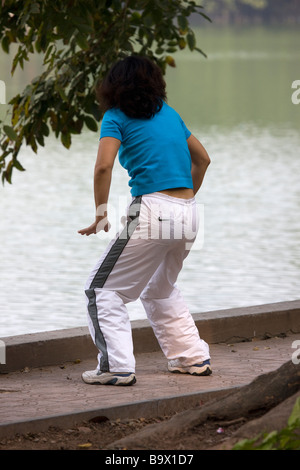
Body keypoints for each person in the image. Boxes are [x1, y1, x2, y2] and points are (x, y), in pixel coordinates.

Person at [78, 55, 211, 386]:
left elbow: (103, 167)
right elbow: (204, 159)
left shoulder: (114, 117)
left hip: (151, 209)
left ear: (112, 87)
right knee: (160, 288)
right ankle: (191, 358)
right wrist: (181, 200)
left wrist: (100, 213)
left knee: (101, 290)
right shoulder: (170, 115)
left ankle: (116, 367)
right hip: (191, 211)